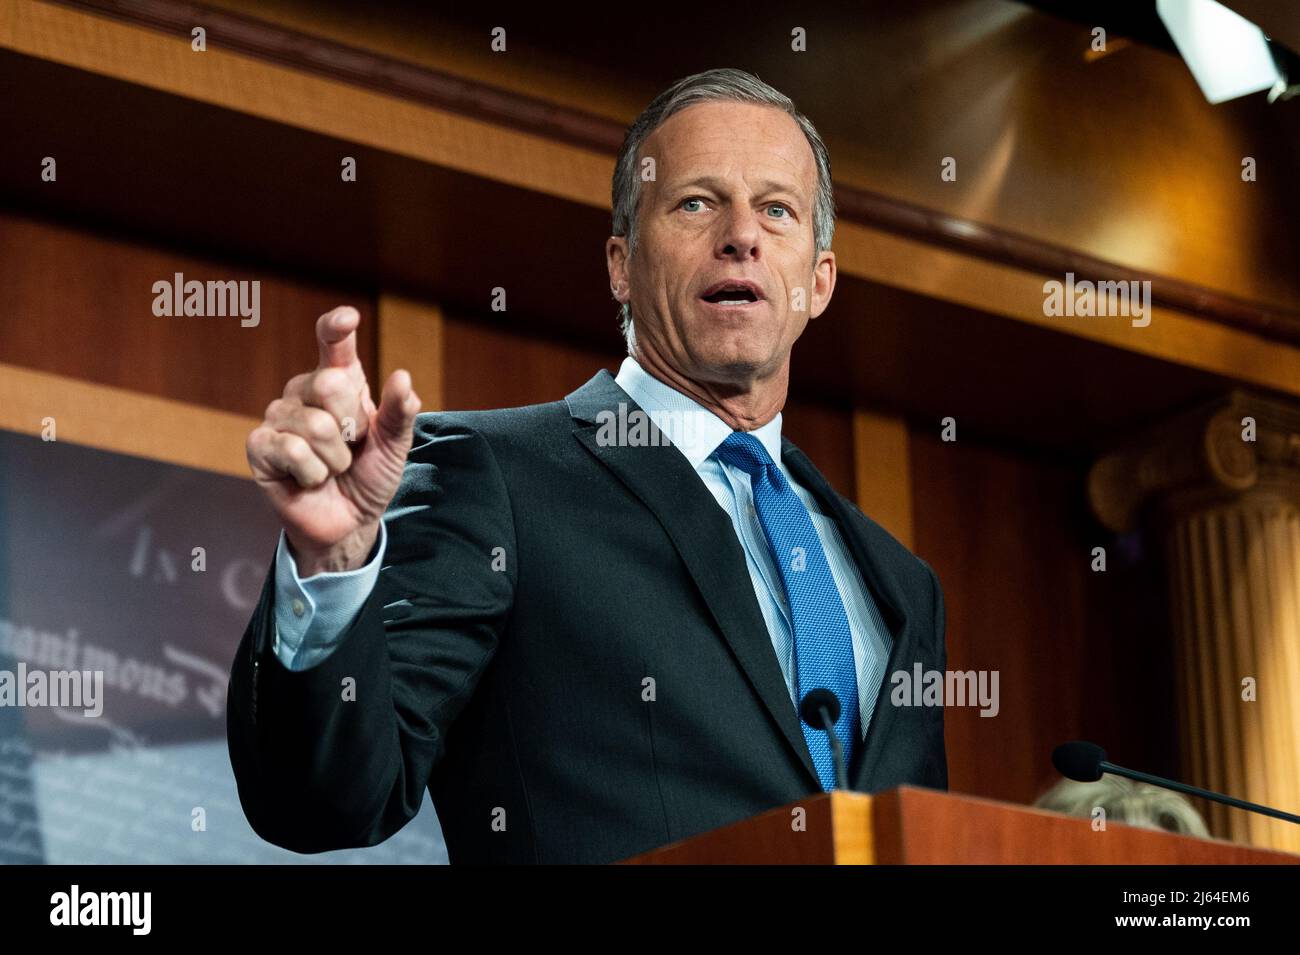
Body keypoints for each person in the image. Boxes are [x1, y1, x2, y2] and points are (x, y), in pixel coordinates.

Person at [229, 67, 948, 864]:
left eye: (777, 209)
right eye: (697, 203)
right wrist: (332, 565)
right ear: (620, 265)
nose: (741, 234)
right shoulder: (496, 475)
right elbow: (325, 800)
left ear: (818, 281)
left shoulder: (901, 585)